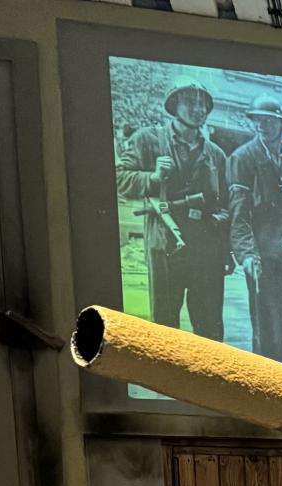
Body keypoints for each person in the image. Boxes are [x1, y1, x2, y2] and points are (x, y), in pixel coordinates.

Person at [115, 83, 230, 339]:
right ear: (174, 105)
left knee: (210, 328)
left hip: (206, 250)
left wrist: (225, 250)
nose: (198, 109)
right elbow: (120, 178)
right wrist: (153, 177)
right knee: (165, 329)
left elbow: (225, 204)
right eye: (190, 102)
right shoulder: (149, 139)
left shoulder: (216, 154)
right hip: (165, 244)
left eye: (203, 104)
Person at [227, 96, 282, 365]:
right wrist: (247, 254)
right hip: (263, 257)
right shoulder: (243, 158)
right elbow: (239, 214)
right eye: (257, 120)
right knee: (268, 330)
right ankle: (265, 389)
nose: (262, 125)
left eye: (269, 120)